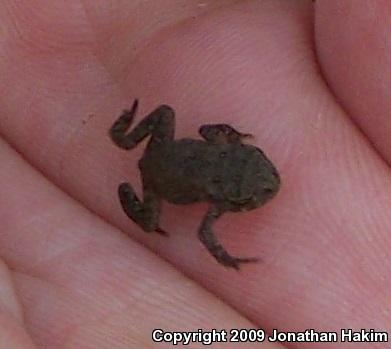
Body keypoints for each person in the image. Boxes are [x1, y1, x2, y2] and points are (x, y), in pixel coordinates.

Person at [0, 1, 389, 348]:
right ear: (227, 198)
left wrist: (228, 136)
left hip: (166, 151)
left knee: (165, 114)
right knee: (151, 218)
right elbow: (204, 232)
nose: (265, 189)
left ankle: (123, 135)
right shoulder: (215, 196)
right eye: (250, 198)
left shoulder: (222, 149)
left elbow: (207, 133)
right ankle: (124, 182)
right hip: (157, 180)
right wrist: (226, 259)